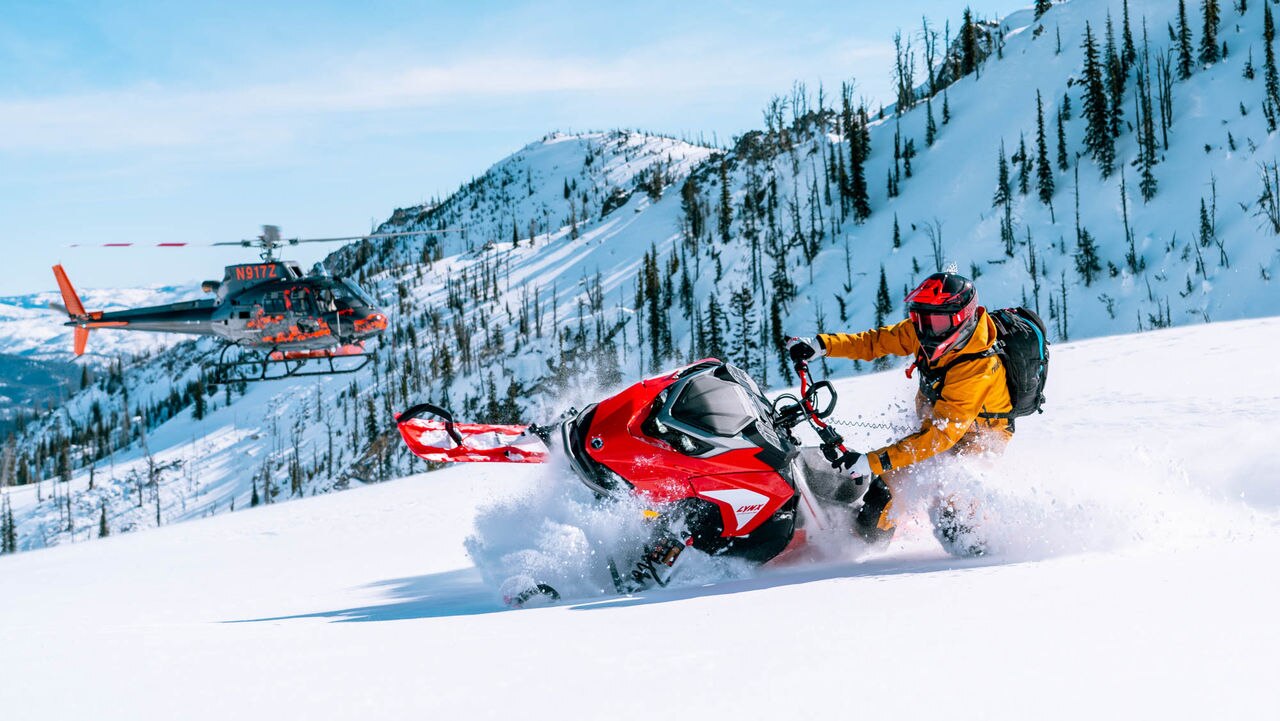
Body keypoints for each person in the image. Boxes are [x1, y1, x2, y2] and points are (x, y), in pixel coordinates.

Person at [785, 272, 1013, 554]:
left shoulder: (978, 368)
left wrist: (872, 461)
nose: (926, 329)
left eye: (936, 321)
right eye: (920, 318)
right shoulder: (928, 332)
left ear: (961, 318)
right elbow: (875, 342)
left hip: (974, 444)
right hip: (936, 429)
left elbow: (939, 438)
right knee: (883, 493)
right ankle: (864, 547)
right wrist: (823, 346)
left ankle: (982, 561)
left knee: (952, 519)